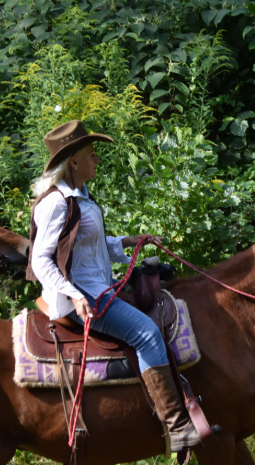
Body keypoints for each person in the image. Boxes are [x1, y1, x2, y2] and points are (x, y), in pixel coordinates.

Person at [25, 119, 200, 451]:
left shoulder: (81, 195)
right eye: (92, 154)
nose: (97, 160)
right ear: (73, 161)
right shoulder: (55, 203)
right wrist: (74, 296)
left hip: (98, 288)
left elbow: (87, 244)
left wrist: (127, 241)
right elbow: (41, 260)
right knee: (146, 333)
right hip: (84, 299)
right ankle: (178, 427)